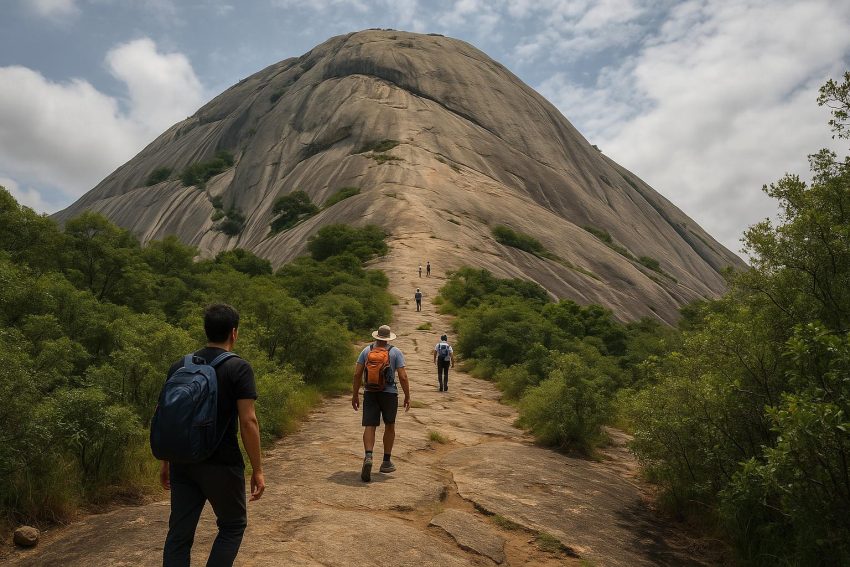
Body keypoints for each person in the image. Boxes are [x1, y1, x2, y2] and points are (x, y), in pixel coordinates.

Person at [161, 304, 265, 567]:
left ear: (205, 330)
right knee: (232, 525)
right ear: (234, 332)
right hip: (221, 462)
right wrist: (258, 469)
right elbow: (248, 421)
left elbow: (167, 417)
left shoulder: (180, 366)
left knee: (179, 535)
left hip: (182, 462)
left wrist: (166, 461)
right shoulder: (238, 368)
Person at [352, 325, 411, 482]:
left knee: (370, 426)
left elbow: (357, 374)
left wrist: (355, 395)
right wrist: (407, 396)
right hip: (389, 393)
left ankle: (369, 456)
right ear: (388, 338)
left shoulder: (366, 351)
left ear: (377, 337)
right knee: (389, 425)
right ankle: (386, 461)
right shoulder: (395, 352)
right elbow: (403, 376)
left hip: (370, 392)